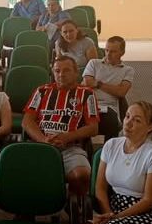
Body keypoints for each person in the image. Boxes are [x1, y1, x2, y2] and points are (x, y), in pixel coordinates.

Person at [22, 56, 99, 196]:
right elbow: (27, 121)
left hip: (70, 147)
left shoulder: (87, 94)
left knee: (82, 176)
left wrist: (66, 137)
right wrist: (43, 140)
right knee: (21, 174)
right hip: (39, 145)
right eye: (57, 71)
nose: (61, 74)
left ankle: (70, 204)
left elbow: (93, 128)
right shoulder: (41, 91)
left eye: (66, 70)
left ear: (76, 72)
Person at [82, 36, 135, 141]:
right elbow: (87, 82)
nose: (108, 54)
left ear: (122, 52)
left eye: (113, 51)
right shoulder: (94, 63)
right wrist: (112, 88)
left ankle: (110, 151)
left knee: (111, 121)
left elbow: (121, 92)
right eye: (106, 50)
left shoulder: (127, 70)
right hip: (87, 105)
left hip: (108, 109)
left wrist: (98, 84)